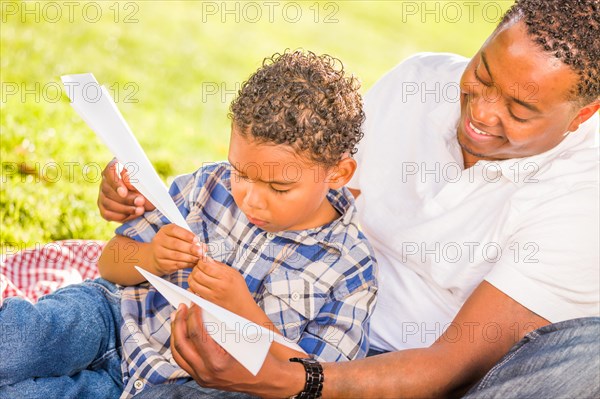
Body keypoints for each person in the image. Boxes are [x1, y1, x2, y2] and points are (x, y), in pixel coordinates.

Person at [98, 0, 599, 397]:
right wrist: (149, 202)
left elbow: (449, 368)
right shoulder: (419, 81)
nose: (483, 112)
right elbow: (309, 189)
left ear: (582, 114)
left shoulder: (584, 198)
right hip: (288, 312)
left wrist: (299, 380)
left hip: (395, 372)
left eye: (519, 109)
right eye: (483, 75)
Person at [0, 51, 378, 399]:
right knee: (20, 341)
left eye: (279, 187)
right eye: (241, 173)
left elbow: (313, 380)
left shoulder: (349, 268)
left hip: (188, 383)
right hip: (115, 317)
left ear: (338, 174)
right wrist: (151, 256)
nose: (250, 198)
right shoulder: (208, 186)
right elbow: (109, 262)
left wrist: (246, 313)